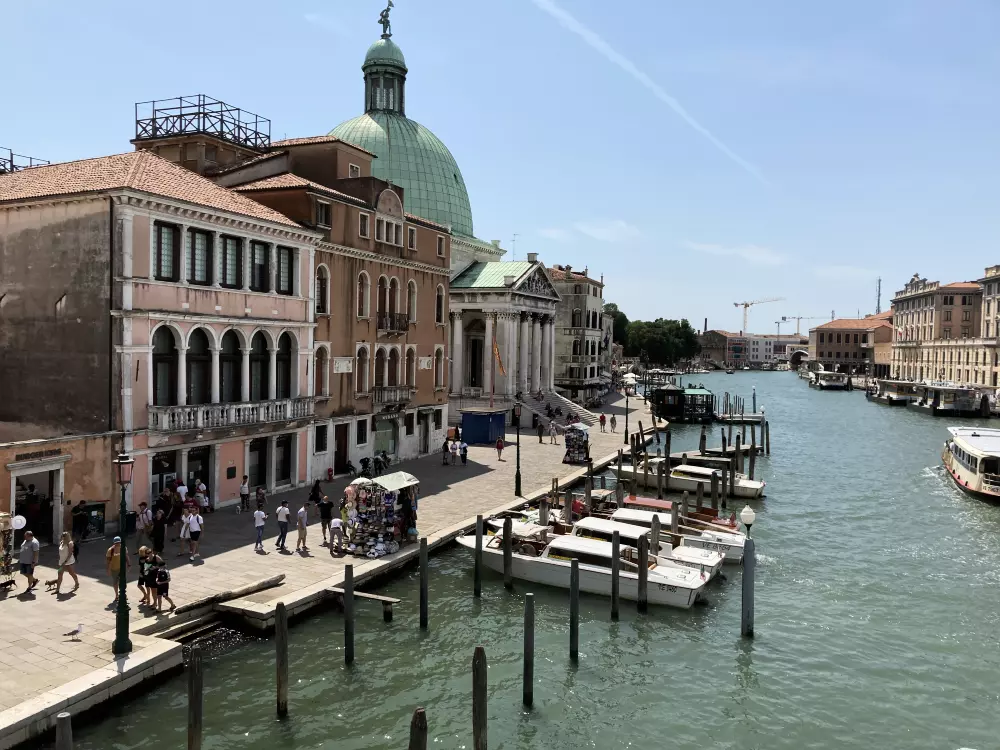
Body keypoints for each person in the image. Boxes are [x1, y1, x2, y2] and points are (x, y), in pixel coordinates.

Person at [105, 536, 130, 607]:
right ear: (114, 543)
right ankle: (117, 595)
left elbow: (126, 556)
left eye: (119, 543)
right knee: (115, 582)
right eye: (116, 543)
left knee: (123, 581)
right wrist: (108, 569)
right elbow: (108, 561)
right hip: (114, 569)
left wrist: (129, 564)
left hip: (122, 568)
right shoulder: (110, 550)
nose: (117, 544)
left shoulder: (123, 548)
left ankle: (123, 594)